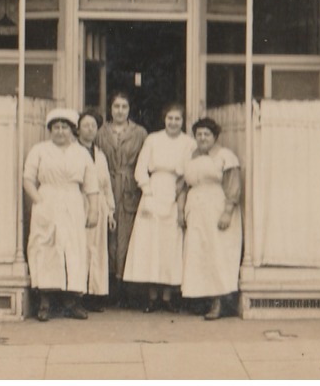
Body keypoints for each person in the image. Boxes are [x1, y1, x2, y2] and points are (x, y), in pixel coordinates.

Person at [23, 107, 99, 322]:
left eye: (64, 128)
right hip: (47, 201)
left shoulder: (81, 153)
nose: (60, 132)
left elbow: (91, 184)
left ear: (72, 130)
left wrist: (93, 209)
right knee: (46, 247)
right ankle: (45, 302)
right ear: (50, 130)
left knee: (73, 249)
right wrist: (39, 201)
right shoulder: (39, 150)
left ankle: (71, 302)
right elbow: (28, 179)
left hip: (73, 202)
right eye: (56, 128)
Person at [123, 102, 195, 312]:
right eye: (170, 118)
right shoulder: (153, 139)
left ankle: (167, 297)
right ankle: (152, 297)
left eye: (177, 119)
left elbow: (187, 172)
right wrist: (148, 191)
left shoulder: (189, 143)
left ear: (183, 121)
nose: (173, 123)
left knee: (170, 245)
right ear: (164, 120)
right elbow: (140, 169)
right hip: (153, 192)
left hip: (175, 194)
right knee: (151, 245)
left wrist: (177, 192)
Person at [179, 117, 242, 320]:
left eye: (207, 134)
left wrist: (227, 212)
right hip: (196, 209)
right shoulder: (190, 156)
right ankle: (201, 299)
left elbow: (233, 185)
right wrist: (181, 211)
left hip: (217, 207)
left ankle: (219, 303)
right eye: (199, 134)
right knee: (198, 253)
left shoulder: (225, 156)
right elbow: (183, 186)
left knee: (218, 253)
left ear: (215, 137)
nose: (203, 138)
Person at [95, 91, 147, 305]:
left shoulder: (140, 133)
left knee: (127, 238)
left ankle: (128, 291)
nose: (120, 111)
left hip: (130, 189)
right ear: (110, 109)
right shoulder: (100, 132)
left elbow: (145, 162)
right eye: (116, 106)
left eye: (124, 107)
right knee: (107, 239)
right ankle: (107, 290)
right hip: (107, 185)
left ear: (129, 109)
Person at [77, 108, 116, 310]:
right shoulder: (75, 152)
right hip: (80, 204)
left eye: (93, 126)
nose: (90, 129)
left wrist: (110, 211)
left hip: (99, 204)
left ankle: (93, 294)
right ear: (78, 128)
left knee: (97, 250)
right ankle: (78, 295)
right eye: (86, 125)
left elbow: (106, 184)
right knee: (81, 248)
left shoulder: (100, 154)